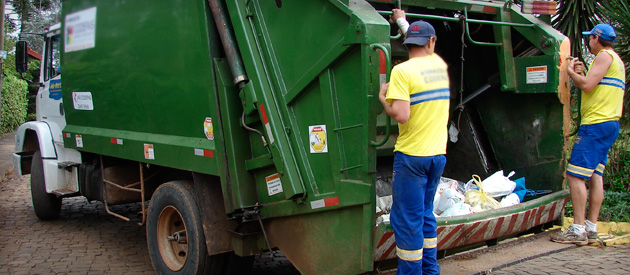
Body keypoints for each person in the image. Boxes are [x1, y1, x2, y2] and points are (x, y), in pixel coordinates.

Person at [379, 10, 450, 275]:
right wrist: (403, 21)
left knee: (407, 221)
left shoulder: (402, 71)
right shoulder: (440, 67)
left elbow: (401, 114)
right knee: (425, 215)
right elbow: (424, 42)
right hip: (437, 157)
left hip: (412, 158)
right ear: (431, 43)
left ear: (407, 45)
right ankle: (431, 270)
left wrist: (383, 98)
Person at [551, 23, 625, 245]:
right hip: (608, 124)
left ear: (596, 38)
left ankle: (577, 229)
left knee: (575, 175)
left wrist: (570, 72)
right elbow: (595, 85)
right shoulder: (617, 61)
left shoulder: (604, 56)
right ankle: (591, 228)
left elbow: (588, 85)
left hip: (595, 125)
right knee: (595, 175)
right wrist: (581, 74)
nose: (588, 42)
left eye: (589, 38)